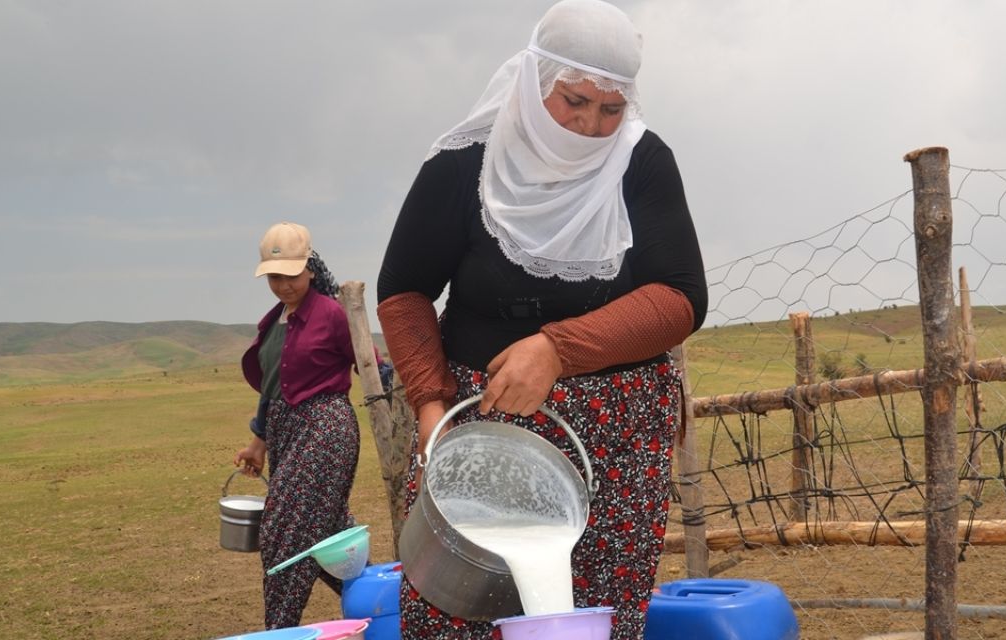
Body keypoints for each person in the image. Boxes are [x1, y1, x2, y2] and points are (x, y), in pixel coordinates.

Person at [376, 1, 706, 637]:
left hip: (616, 436)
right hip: (485, 425)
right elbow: (404, 291)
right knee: (458, 609)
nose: (590, 124)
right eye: (574, 100)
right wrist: (429, 409)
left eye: (611, 109)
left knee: (592, 611)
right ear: (534, 81)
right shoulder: (465, 164)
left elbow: (680, 297)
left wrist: (556, 349)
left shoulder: (642, 162)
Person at [234, 221, 361, 629]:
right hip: (285, 432)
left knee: (282, 533)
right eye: (275, 277)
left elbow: (372, 365)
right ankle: (383, 604)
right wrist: (258, 442)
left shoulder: (333, 314)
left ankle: (280, 631)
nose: (284, 285)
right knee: (326, 535)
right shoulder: (274, 322)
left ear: (309, 267)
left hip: (325, 428)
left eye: (291, 275)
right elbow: (271, 387)